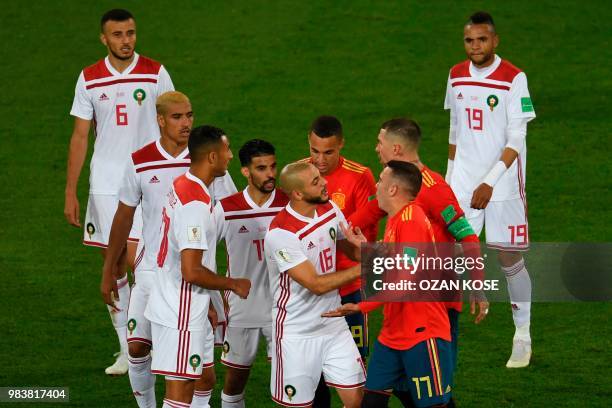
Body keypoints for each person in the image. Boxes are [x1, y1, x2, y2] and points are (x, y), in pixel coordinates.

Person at [64, 8, 174, 375]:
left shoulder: (156, 72)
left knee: (141, 262)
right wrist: (70, 190)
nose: (126, 41)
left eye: (131, 33)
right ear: (104, 38)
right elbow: (80, 135)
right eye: (118, 35)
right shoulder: (89, 79)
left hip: (149, 182)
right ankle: (128, 348)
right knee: (113, 266)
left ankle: (153, 337)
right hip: (107, 186)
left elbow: (176, 122)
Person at [349, 118, 488, 383]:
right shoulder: (391, 187)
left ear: (397, 149)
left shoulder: (435, 189)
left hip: (435, 303)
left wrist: (478, 286)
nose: (376, 149)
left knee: (435, 385)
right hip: (400, 300)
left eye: (380, 143)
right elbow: (358, 219)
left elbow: (468, 237)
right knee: (398, 383)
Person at [444, 11, 536, 367]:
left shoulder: (514, 78)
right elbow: (455, 129)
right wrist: (451, 179)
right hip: (464, 183)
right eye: (469, 40)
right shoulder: (455, 75)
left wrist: (490, 180)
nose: (475, 46)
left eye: (482, 39)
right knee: (450, 256)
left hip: (503, 186)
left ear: (494, 41)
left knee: (508, 258)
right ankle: (441, 333)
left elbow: (517, 137)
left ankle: (522, 336)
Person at [324, 161, 454, 408]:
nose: (377, 186)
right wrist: (366, 246)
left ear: (393, 189)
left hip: (422, 332)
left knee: (434, 405)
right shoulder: (398, 219)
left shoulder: (412, 220)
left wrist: (361, 307)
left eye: (381, 181)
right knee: (371, 401)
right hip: (393, 333)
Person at [144, 125, 250, 408]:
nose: (230, 156)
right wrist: (232, 284)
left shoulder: (187, 184)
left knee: (204, 379)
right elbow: (191, 270)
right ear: (212, 157)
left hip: (193, 303)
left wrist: (210, 305)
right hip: (180, 308)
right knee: (179, 394)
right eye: (227, 150)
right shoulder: (194, 204)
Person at [264, 162, 366, 408]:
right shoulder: (282, 234)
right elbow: (315, 284)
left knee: (357, 400)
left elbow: (350, 250)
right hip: (296, 333)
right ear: (297, 194)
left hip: (333, 323)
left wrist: (365, 251)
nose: (324, 183)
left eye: (320, 177)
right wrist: (366, 267)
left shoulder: (329, 208)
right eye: (316, 182)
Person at [301, 115, 377, 407]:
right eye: (314, 150)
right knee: (313, 374)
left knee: (355, 369)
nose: (320, 160)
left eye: (328, 152)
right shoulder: (299, 173)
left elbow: (365, 239)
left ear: (341, 145)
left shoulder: (360, 177)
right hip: (312, 288)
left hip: (350, 287)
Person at [213, 139, 289, 408]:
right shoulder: (226, 208)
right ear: (245, 171)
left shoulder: (289, 204)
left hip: (283, 309)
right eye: (261, 168)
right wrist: (213, 300)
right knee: (234, 384)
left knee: (290, 384)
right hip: (241, 309)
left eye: (272, 166)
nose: (270, 174)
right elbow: (201, 255)